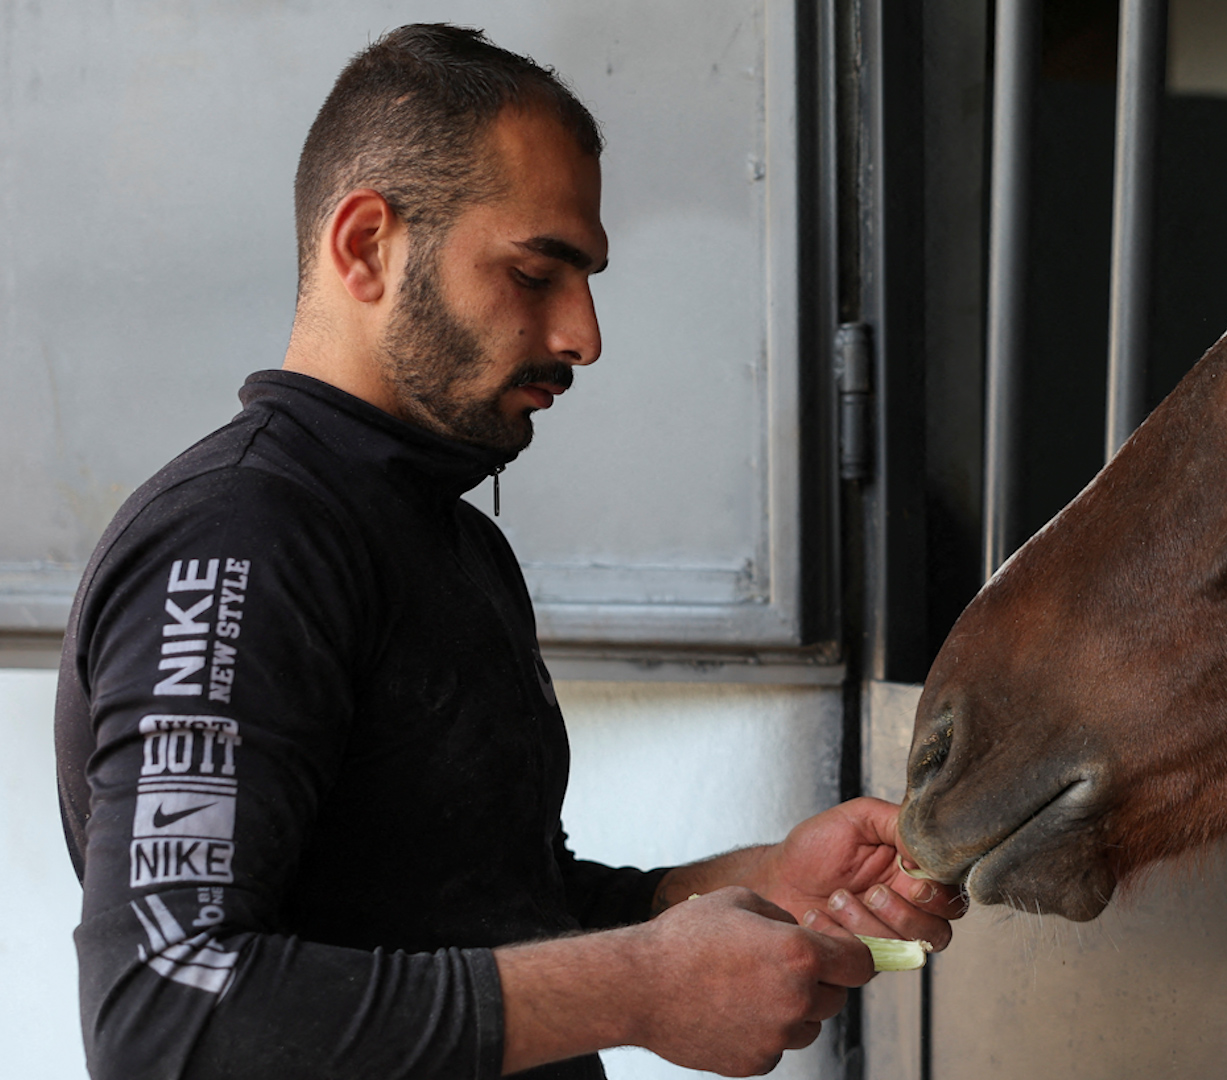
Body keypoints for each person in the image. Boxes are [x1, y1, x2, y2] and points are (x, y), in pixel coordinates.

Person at [53, 23, 961, 1080]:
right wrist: (644, 986)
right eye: (537, 273)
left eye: (587, 278)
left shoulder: (453, 541)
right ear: (366, 247)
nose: (585, 333)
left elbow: (482, 909)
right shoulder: (240, 541)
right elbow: (165, 1013)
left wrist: (754, 884)